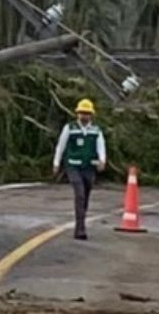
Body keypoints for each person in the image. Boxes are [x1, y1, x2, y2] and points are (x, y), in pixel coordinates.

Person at [53, 99, 107, 240]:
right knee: (80, 194)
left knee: (86, 196)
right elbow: (61, 146)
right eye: (82, 113)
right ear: (77, 114)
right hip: (73, 166)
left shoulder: (96, 130)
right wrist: (56, 163)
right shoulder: (70, 128)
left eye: (87, 113)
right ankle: (80, 229)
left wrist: (102, 160)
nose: (84, 116)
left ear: (91, 115)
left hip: (89, 167)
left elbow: (100, 146)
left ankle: (81, 219)